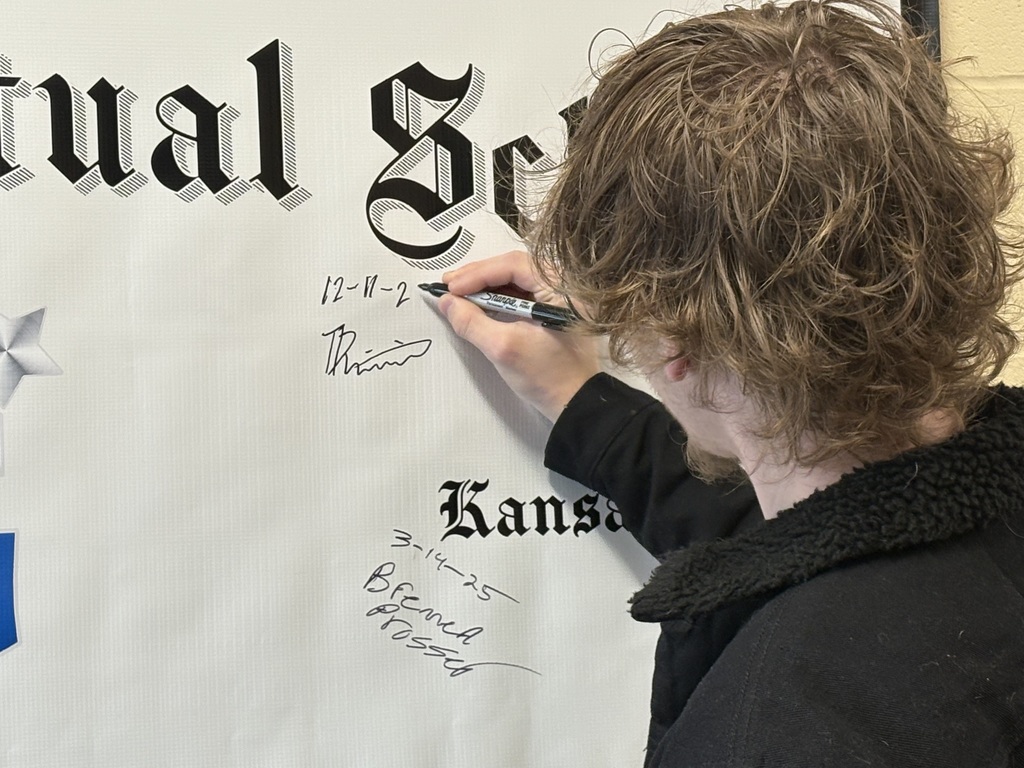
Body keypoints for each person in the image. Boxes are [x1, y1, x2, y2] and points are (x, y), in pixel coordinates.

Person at [435, 0, 1024, 765]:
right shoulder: (973, 518)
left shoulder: (771, 730)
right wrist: (578, 398)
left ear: (673, 339)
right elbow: (808, 536)